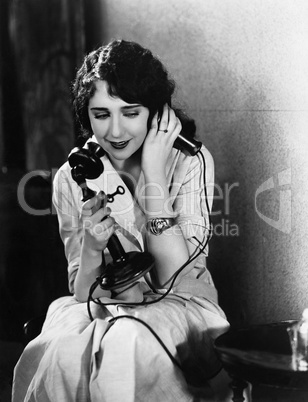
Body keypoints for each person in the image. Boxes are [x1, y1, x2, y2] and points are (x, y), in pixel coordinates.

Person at [12, 39, 236, 401]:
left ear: (157, 113)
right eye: (101, 115)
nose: (115, 132)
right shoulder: (73, 177)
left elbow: (171, 278)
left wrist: (153, 172)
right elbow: (83, 291)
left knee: (126, 342)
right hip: (101, 303)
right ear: (86, 116)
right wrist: (92, 246)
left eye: (130, 113)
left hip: (180, 305)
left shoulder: (191, 161)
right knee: (61, 350)